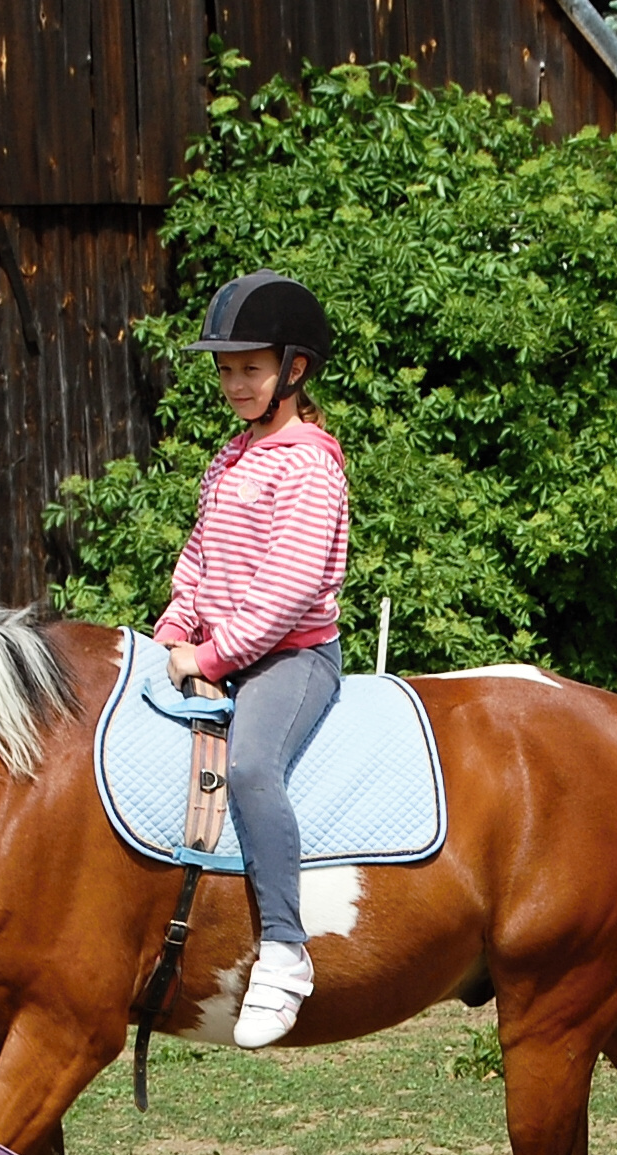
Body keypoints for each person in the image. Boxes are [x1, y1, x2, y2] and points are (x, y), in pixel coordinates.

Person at [155, 269, 352, 1049]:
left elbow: (287, 589)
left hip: (291, 660)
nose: (236, 384)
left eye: (251, 368)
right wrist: (175, 630)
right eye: (227, 369)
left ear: (294, 370)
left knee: (249, 768)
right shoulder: (232, 456)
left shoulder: (307, 464)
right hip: (219, 649)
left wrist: (213, 651)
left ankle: (284, 948)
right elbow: (200, 557)